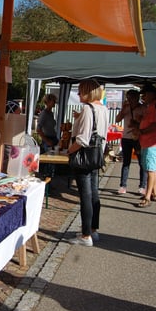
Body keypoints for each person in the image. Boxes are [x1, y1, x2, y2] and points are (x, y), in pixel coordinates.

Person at [67, 80, 109, 246]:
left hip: (84, 156)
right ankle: (93, 229)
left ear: (87, 92)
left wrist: (69, 150)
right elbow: (101, 133)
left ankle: (85, 236)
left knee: (85, 195)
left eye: (80, 91)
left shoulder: (87, 108)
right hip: (96, 155)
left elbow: (83, 139)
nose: (78, 94)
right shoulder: (103, 109)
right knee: (93, 193)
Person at [137, 83, 156, 208]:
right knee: (151, 169)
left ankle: (147, 197)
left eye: (145, 94)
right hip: (147, 141)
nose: (143, 97)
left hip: (152, 142)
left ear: (152, 94)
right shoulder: (151, 106)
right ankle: (153, 193)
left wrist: (142, 131)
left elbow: (155, 124)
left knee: (150, 170)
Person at [115, 89, 147, 195]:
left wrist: (138, 123)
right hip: (126, 137)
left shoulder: (143, 108)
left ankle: (142, 186)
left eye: (132, 98)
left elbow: (147, 122)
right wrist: (123, 110)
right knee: (126, 162)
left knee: (142, 162)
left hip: (138, 138)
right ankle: (122, 186)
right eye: (128, 98)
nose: (130, 100)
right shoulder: (126, 108)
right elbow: (117, 119)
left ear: (137, 98)